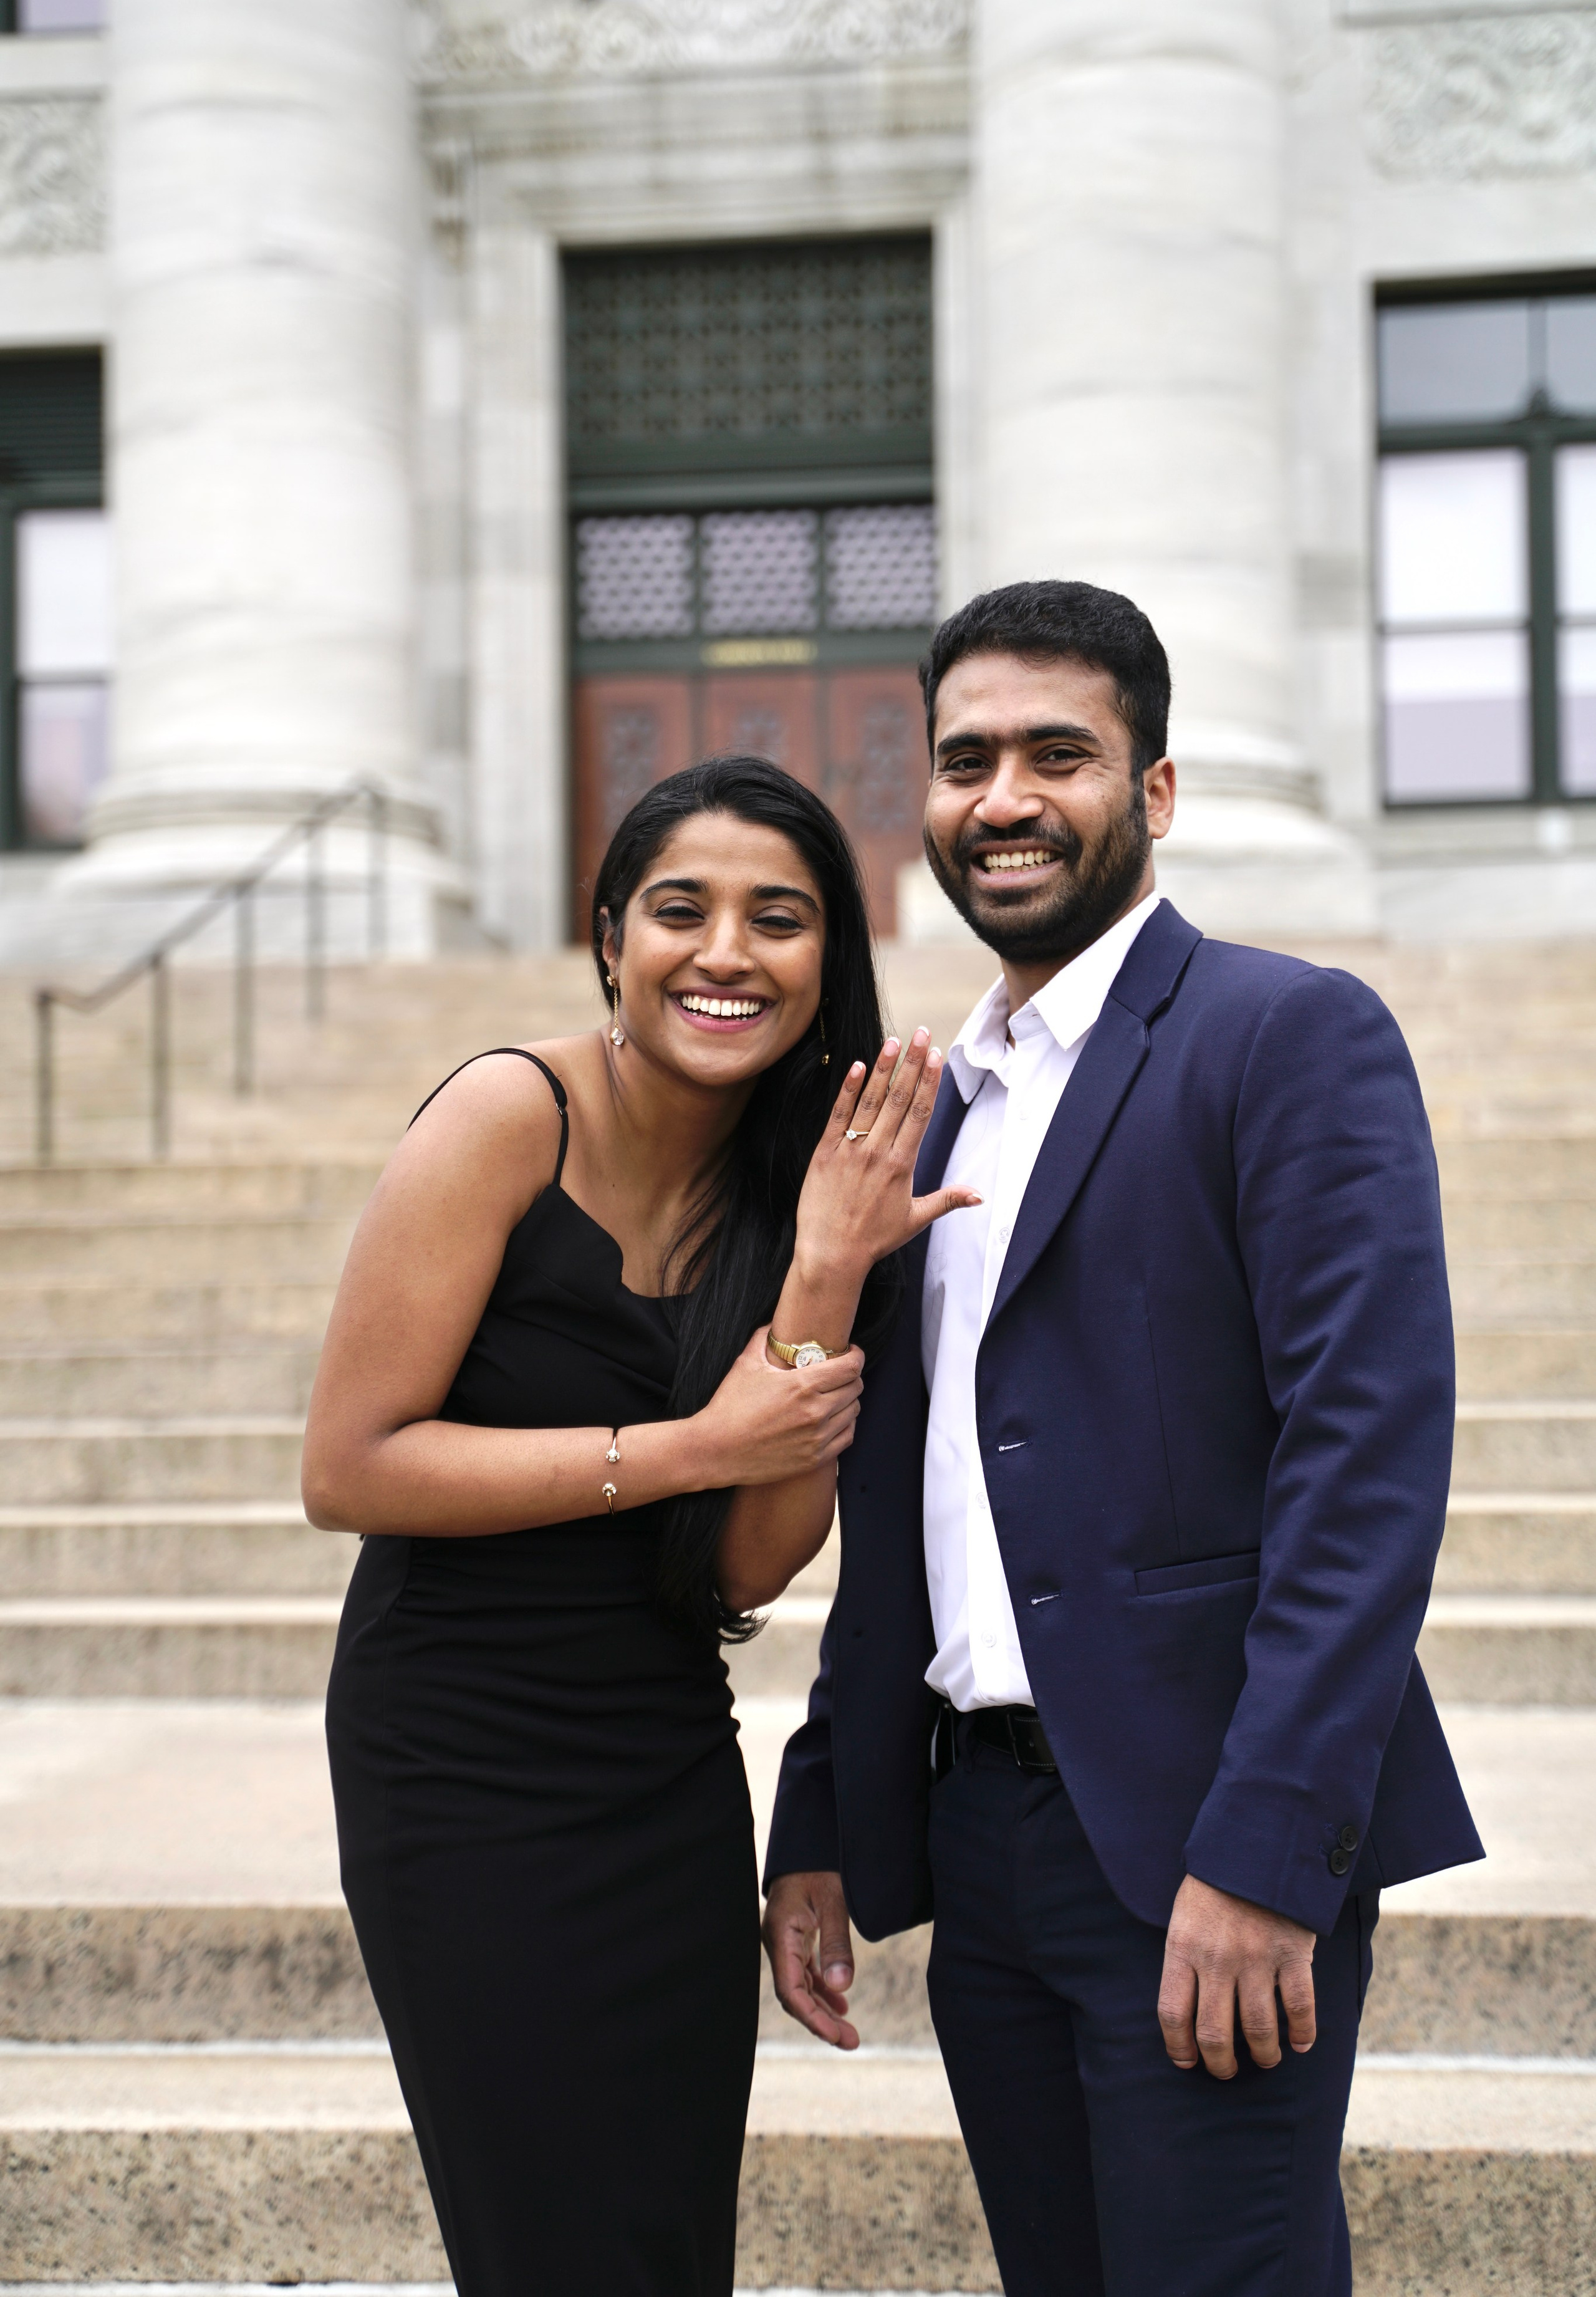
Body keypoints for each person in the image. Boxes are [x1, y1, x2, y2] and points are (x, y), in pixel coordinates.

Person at [762, 581, 1484, 2297]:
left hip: (1197, 1829)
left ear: (1151, 792)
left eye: (1055, 753)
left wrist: (1264, 1847)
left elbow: (1364, 1462)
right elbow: (908, 1486)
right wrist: (823, 1800)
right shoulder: (926, 1102)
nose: (1002, 796)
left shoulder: (1285, 1032)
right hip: (980, 1835)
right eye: (962, 760)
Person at [304, 754, 976, 2297]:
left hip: (663, 1768)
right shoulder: (503, 1113)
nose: (726, 951)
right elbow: (348, 1466)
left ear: (832, 958)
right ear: (611, 935)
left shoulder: (828, 1181)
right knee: (547, 2238)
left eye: (779, 918)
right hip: (457, 1761)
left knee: (665, 2239)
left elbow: (745, 1561)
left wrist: (819, 1270)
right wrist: (686, 1443)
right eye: (681, 908)